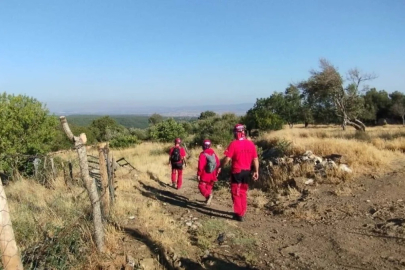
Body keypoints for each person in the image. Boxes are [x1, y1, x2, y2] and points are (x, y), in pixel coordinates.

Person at [220, 124, 259, 222]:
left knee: (235, 192)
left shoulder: (234, 144)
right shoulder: (251, 144)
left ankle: (239, 213)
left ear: (236, 133)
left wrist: (220, 166)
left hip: (237, 171)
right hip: (247, 171)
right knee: (243, 191)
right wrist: (256, 171)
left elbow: (227, 158)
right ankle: (242, 211)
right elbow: (255, 159)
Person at [197, 139, 221, 205]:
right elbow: (218, 163)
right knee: (209, 186)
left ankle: (208, 195)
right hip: (213, 174)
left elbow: (200, 166)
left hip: (205, 174)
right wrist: (217, 172)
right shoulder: (213, 153)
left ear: (203, 146)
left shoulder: (203, 154)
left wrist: (199, 174)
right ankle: (208, 199)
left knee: (201, 186)